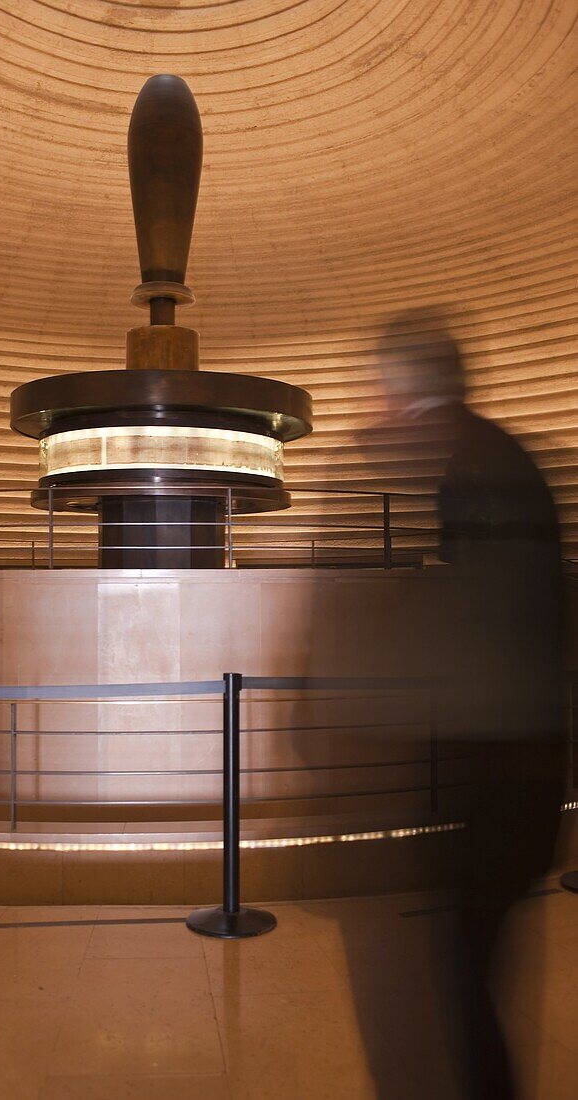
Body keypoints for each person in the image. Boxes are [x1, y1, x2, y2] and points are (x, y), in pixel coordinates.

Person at [344, 309, 566, 1099]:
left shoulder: (467, 466)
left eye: (381, 385)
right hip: (525, 766)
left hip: (496, 770)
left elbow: (476, 620)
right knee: (476, 970)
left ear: (406, 387)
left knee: (466, 979)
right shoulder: (507, 456)